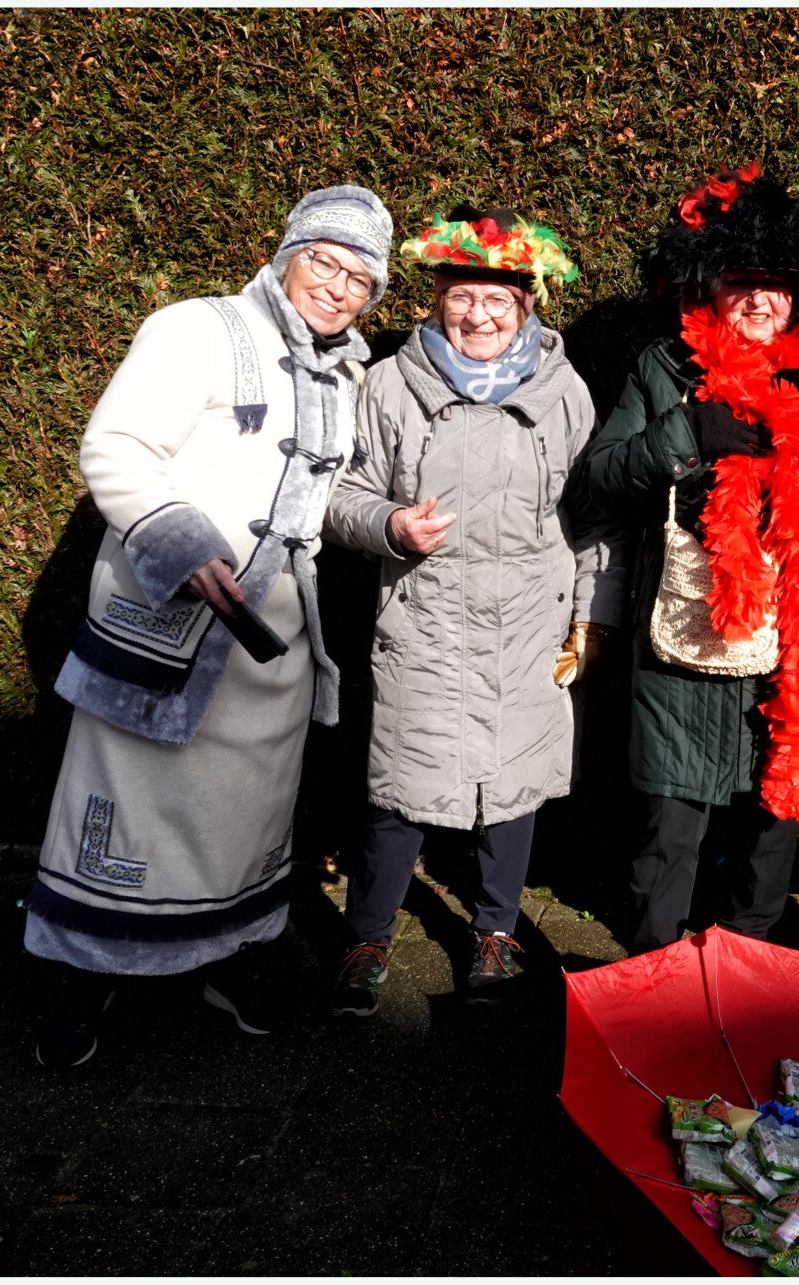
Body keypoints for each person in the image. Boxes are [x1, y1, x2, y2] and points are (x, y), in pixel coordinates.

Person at [25, 185, 395, 1066]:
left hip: (271, 642)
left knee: (246, 816)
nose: (338, 288)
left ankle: (230, 957)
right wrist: (183, 545)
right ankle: (82, 978)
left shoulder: (348, 372)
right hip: (166, 624)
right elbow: (116, 447)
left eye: (361, 280)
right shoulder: (197, 328)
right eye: (325, 262)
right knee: (124, 811)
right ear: (288, 254)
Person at [321, 205, 624, 1015]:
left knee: (514, 786)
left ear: (527, 304)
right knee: (400, 783)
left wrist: (591, 618)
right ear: (437, 298)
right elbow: (341, 493)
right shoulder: (392, 385)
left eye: (497, 298)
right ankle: (366, 936)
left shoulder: (565, 392)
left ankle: (496, 931)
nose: (479, 314)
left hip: (529, 624)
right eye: (462, 296)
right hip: (426, 623)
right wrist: (390, 524)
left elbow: (595, 518)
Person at [570, 165, 799, 954]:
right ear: (709, 286)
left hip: (791, 632)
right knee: (669, 827)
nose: (759, 300)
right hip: (684, 635)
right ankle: (655, 973)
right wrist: (686, 435)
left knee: (776, 820)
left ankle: (750, 964)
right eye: (741, 283)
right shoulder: (663, 368)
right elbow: (595, 483)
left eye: (776, 286)